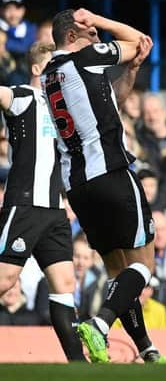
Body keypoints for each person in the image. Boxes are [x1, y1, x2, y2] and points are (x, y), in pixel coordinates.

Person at [42, 8, 164, 363]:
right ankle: (99, 325)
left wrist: (133, 70)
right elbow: (139, 40)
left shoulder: (51, 76)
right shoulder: (86, 57)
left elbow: (109, 102)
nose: (97, 37)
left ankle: (147, 349)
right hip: (111, 173)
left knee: (117, 274)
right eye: (90, 32)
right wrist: (101, 19)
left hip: (79, 188)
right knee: (144, 267)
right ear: (71, 37)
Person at [0, 42, 85, 361]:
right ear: (37, 70)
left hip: (54, 210)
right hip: (24, 205)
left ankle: (79, 366)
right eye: (52, 64)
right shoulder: (24, 96)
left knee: (65, 284)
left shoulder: (62, 109)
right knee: (5, 280)